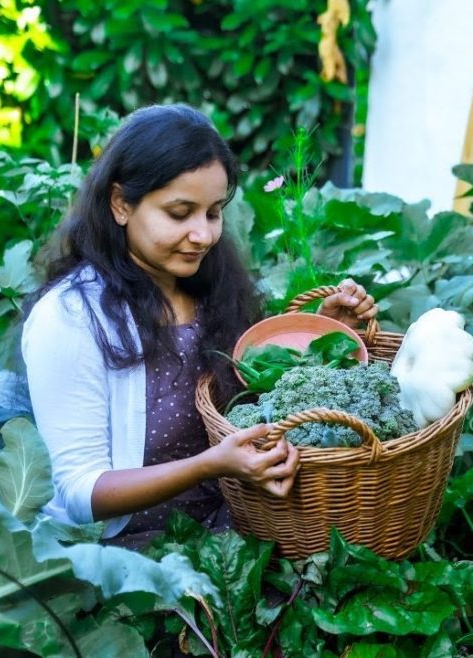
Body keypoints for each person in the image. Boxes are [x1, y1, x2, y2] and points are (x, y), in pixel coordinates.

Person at [22, 104, 377, 548]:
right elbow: (80, 492)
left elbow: (255, 399)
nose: (204, 235)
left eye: (213, 212)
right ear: (120, 204)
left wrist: (323, 338)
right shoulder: (72, 316)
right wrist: (211, 464)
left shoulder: (210, 288)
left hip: (237, 527)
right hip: (130, 557)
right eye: (179, 213)